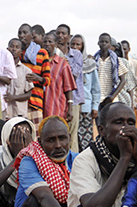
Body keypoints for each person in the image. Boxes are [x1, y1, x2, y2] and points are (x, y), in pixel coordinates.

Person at [3, 116, 78, 207]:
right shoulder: (29, 161)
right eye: (50, 140)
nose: (58, 145)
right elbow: (44, 197)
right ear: (40, 142)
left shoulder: (77, 160)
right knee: (34, 202)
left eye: (62, 138)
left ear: (69, 138)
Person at [55, 24, 84, 153]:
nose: (60, 36)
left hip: (74, 98)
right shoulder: (52, 53)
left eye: (63, 34)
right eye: (58, 33)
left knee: (72, 134)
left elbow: (72, 75)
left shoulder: (76, 54)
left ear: (69, 37)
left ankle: (74, 167)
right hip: (56, 98)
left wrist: (61, 62)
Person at [17, 23, 51, 134]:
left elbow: (48, 80)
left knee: (35, 136)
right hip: (18, 103)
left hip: (35, 103)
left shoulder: (42, 53)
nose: (22, 35)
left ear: (32, 35)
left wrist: (38, 78)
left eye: (25, 33)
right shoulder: (16, 53)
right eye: (20, 33)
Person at [70, 34, 101, 151]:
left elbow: (95, 88)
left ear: (82, 46)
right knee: (72, 140)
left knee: (86, 142)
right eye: (72, 44)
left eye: (78, 44)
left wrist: (95, 107)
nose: (75, 47)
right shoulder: (67, 62)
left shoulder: (90, 63)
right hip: (71, 106)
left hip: (85, 108)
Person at [42, 32, 75, 121]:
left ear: (56, 44)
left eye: (50, 41)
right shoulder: (38, 63)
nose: (47, 44)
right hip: (40, 109)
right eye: (45, 42)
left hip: (57, 108)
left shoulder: (63, 64)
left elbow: (68, 88)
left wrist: (70, 108)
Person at [94, 33, 128, 108]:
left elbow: (123, 81)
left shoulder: (116, 61)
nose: (104, 44)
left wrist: (112, 97)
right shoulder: (94, 60)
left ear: (110, 44)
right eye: (102, 42)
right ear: (98, 43)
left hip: (111, 99)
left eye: (106, 42)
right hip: (96, 99)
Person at [4, 38, 33, 119]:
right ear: (7, 49)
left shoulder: (26, 71)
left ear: (21, 51)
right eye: (11, 46)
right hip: (4, 113)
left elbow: (28, 94)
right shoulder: (1, 69)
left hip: (19, 113)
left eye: (17, 47)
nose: (14, 49)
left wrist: (13, 97)